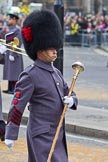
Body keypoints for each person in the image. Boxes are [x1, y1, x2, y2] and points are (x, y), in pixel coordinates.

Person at [4, 9, 78, 162]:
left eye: (55, 46)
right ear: (40, 48)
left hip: (57, 134)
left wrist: (72, 101)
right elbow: (17, 105)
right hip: (41, 136)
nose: (55, 51)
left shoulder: (56, 72)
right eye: (51, 47)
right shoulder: (30, 75)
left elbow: (69, 92)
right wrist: (11, 134)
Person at [3, 7, 24, 94]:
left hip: (14, 54)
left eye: (10, 19)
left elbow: (18, 42)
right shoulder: (11, 29)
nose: (8, 20)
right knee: (9, 71)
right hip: (8, 52)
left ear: (14, 19)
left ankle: (14, 89)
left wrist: (13, 53)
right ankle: (9, 88)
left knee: (14, 72)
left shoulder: (17, 30)